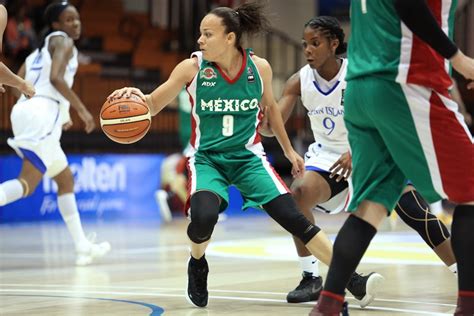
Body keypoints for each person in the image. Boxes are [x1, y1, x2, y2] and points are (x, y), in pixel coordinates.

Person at [109, 2, 378, 309]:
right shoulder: (192, 68)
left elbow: (273, 110)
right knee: (204, 217)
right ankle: (198, 263)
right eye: (200, 34)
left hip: (248, 158)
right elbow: (153, 103)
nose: (200, 40)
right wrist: (134, 96)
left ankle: (351, 279)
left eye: (208, 34)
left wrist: (290, 151)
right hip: (208, 159)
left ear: (230, 38)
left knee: (295, 219)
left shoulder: (259, 68)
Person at [259, 15, 458, 306]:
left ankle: (464, 275)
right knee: (299, 192)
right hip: (328, 158)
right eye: (304, 45)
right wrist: (262, 118)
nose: (308, 50)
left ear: (334, 43)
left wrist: (358, 150)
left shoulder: (359, 74)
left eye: (315, 43)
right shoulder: (298, 81)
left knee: (414, 210)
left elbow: (386, 117)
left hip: (372, 148)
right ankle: (310, 277)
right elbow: (270, 127)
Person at [310, 0, 474, 315]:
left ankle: (327, 305)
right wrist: (458, 58)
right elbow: (408, 4)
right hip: (403, 83)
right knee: (470, 193)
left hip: (360, 88)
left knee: (370, 207)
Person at [0, 2, 110, 266]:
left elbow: (19, 85)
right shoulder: (63, 43)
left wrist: (56, 111)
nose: (75, 24)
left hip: (27, 110)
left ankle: (82, 246)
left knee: (65, 180)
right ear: (56, 25)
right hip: (41, 115)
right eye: (69, 19)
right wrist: (80, 110)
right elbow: (57, 79)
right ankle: (83, 246)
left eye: (77, 19)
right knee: (27, 184)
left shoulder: (36, 52)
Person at [0, 4, 34, 96]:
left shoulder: (27, 22)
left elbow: (32, 40)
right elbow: (10, 44)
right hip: (14, 55)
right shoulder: (2, 13)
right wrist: (21, 84)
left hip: (25, 53)